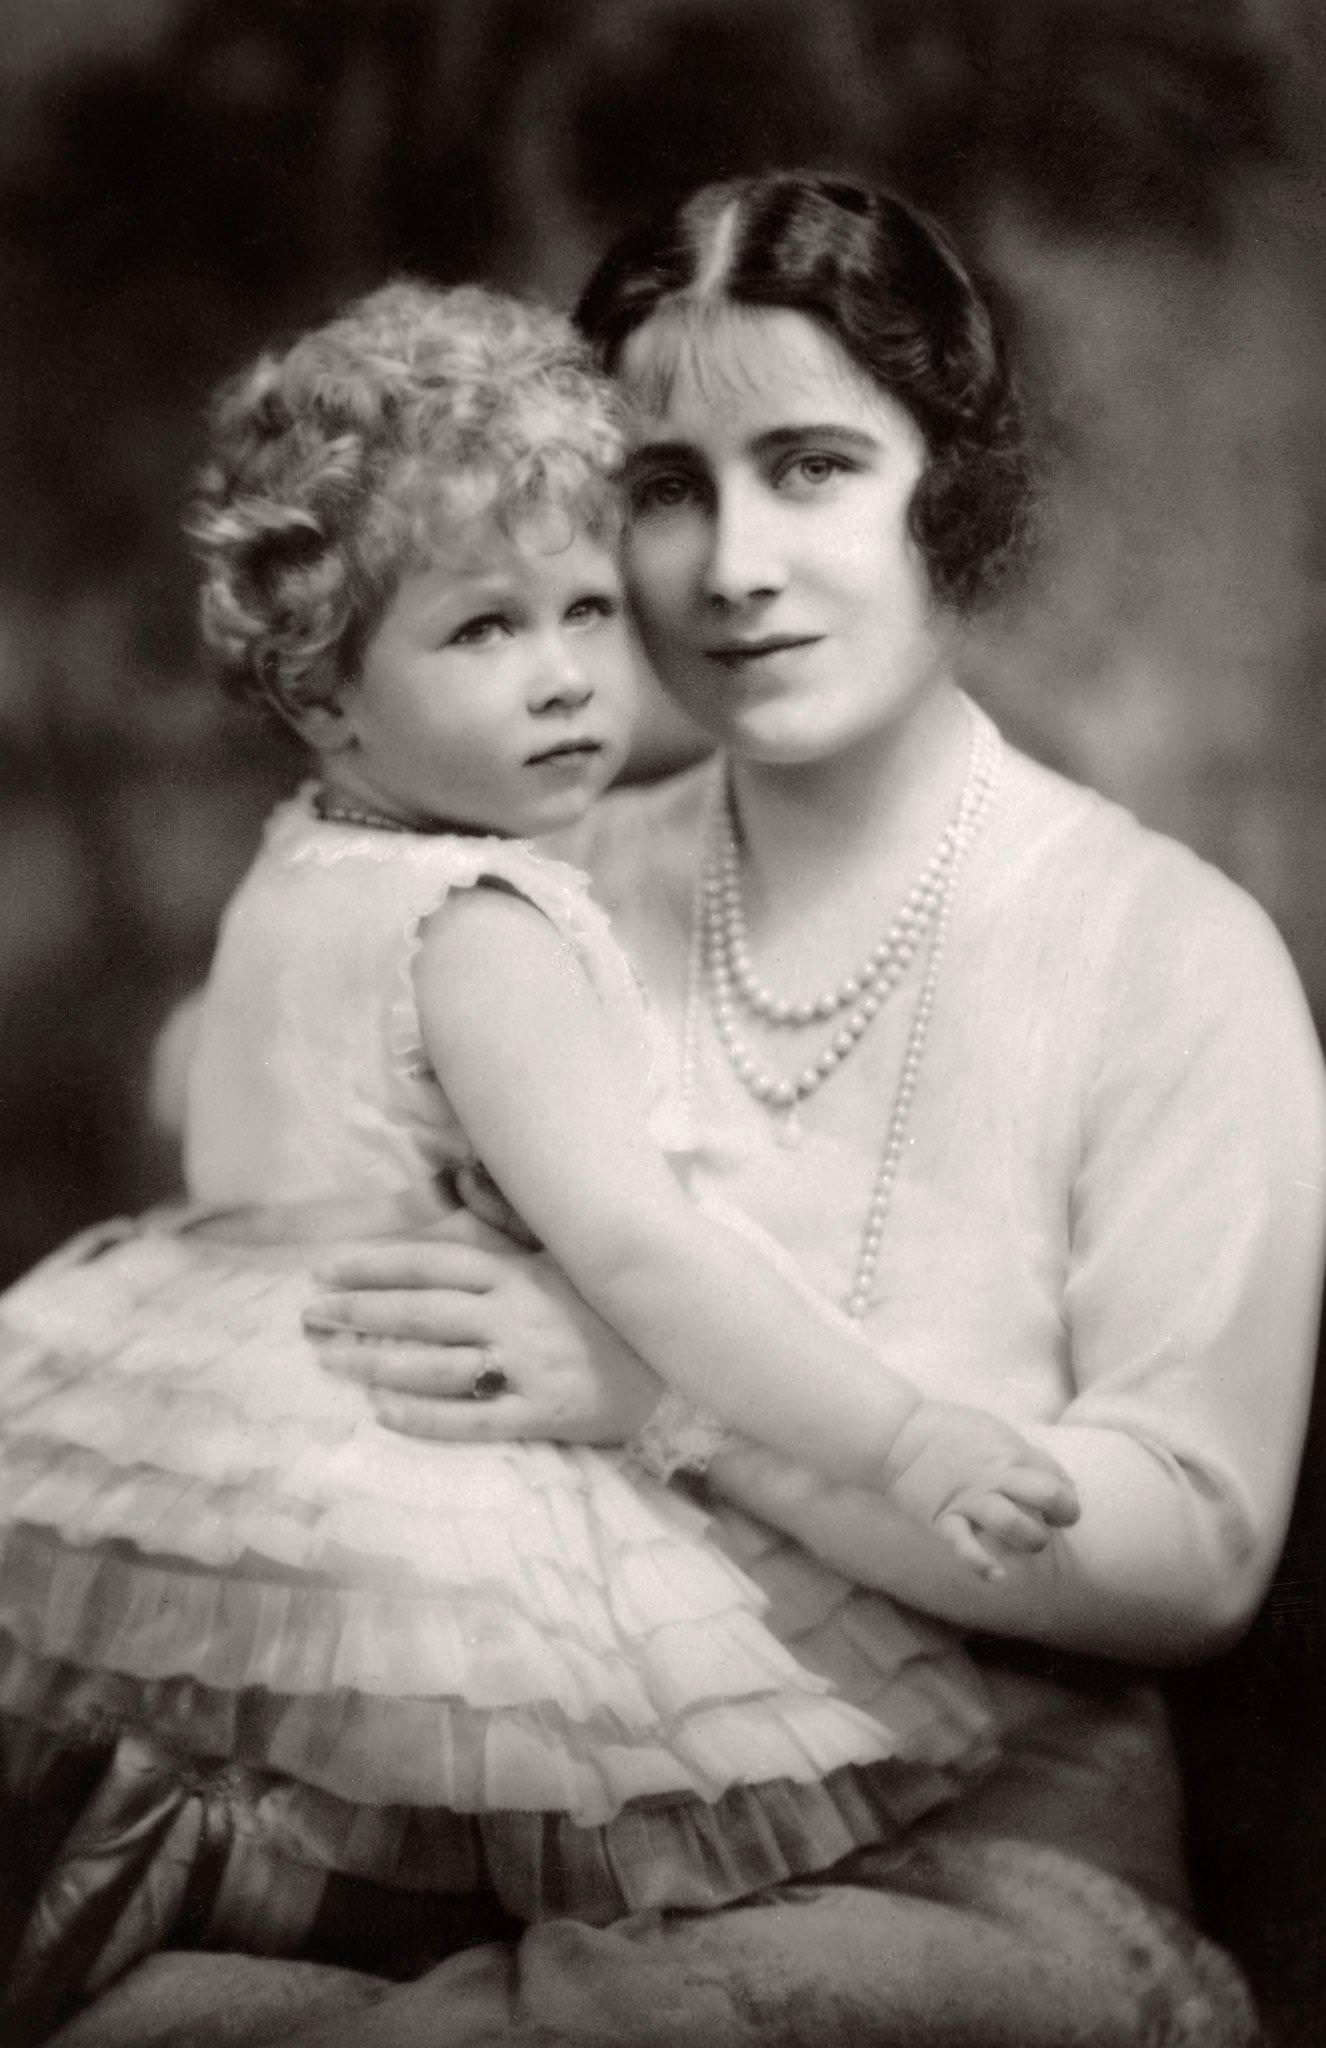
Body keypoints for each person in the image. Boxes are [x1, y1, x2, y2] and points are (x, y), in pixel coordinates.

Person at [209, 172, 1321, 2048]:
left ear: (944, 485)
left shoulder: (1165, 947)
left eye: (811, 466)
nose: (729, 564)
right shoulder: (524, 897)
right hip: (530, 1829)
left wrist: (663, 1403)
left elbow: (1194, 1554)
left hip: (995, 1861)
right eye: (661, 486)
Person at [0, 275, 1080, 2035]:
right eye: (482, 630)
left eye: (585, 606)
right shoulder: (483, 916)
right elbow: (640, 1251)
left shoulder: (305, 854)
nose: (568, 676)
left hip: (242, 1375)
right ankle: (262, 1904)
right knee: (572, 1773)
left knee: (242, 1719)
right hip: (394, 1444)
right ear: (324, 691)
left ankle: (196, 1866)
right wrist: (905, 1432)